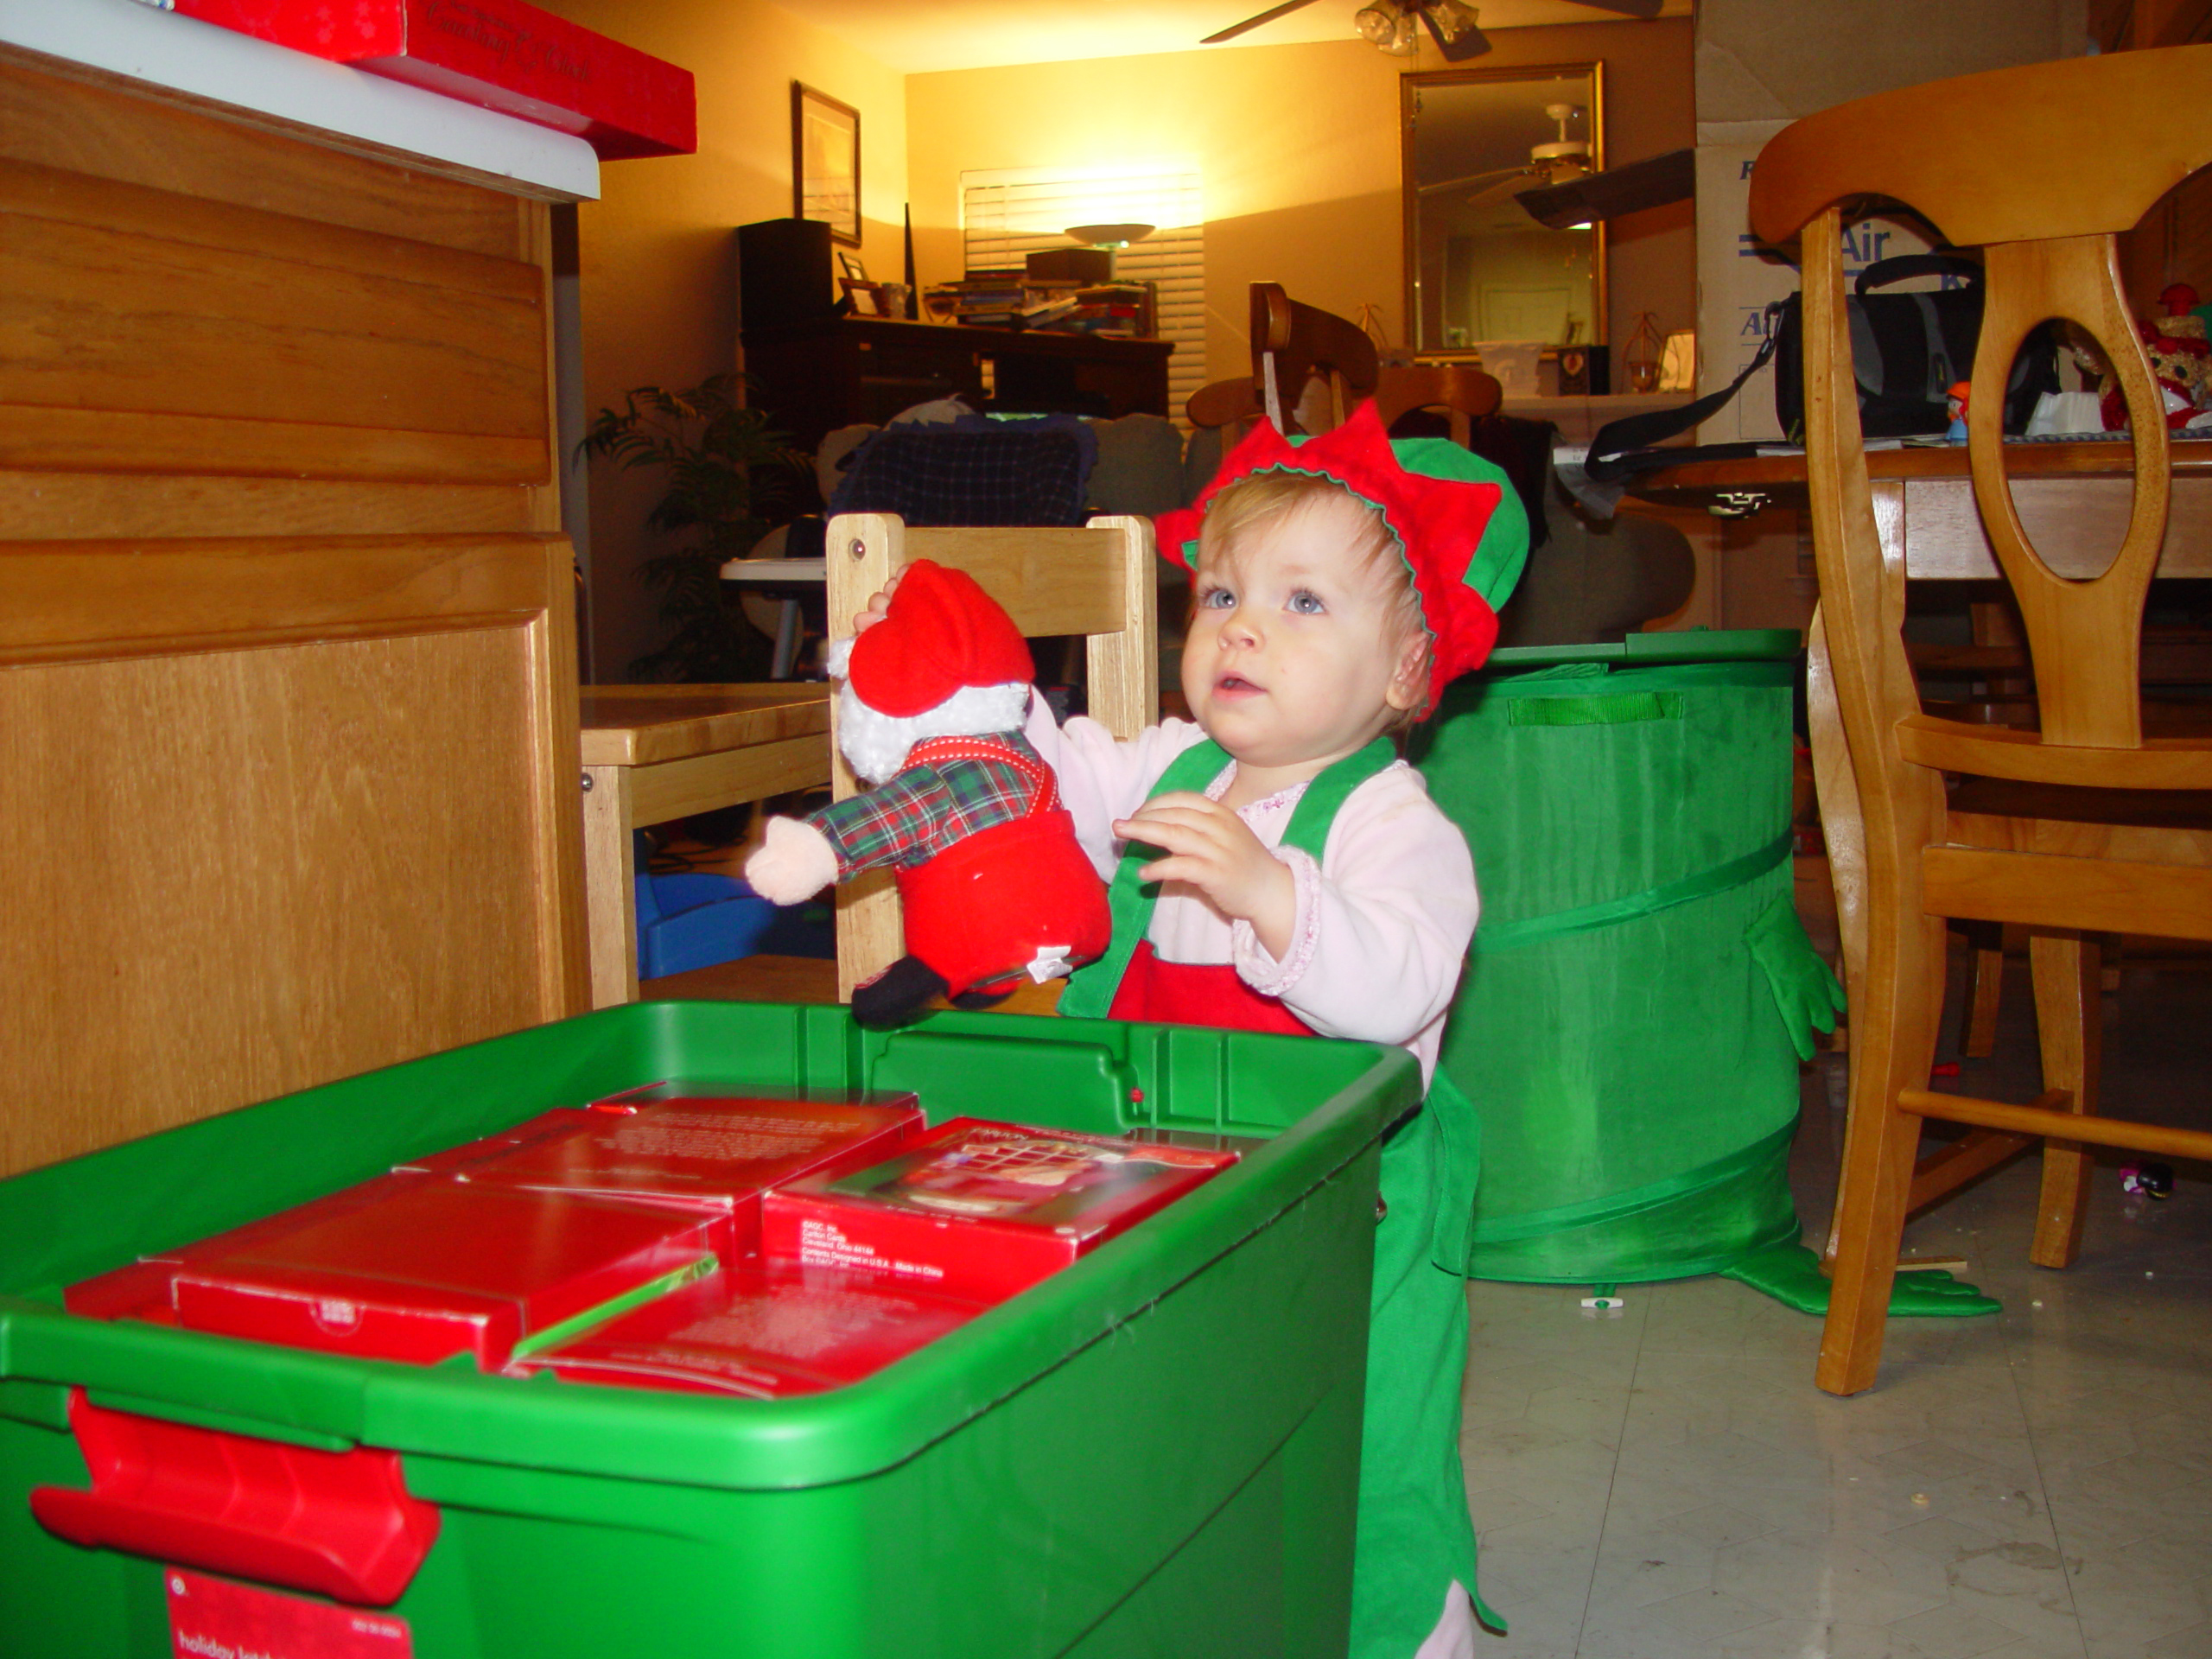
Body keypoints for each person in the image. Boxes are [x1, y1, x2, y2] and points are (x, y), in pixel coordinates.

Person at [849, 399, 1529, 1657]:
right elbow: (1049, 773)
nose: (1243, 626)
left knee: (1361, 1434)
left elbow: (1401, 986)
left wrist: (1276, 896)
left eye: (1303, 602)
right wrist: (974, 703)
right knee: (1174, 1418)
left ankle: (1408, 1631)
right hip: (1165, 1182)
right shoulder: (1169, 766)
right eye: (1218, 596)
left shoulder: (1397, 827)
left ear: (1404, 669)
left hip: (1353, 1215)